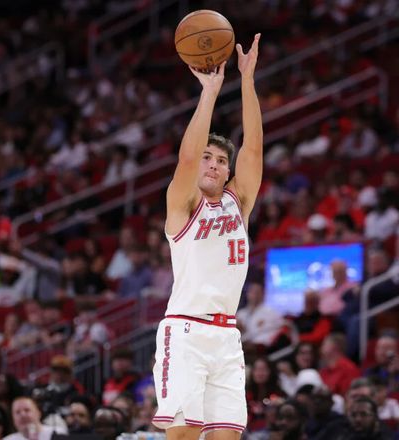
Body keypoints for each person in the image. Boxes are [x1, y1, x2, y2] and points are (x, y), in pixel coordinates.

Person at [151, 34, 263, 440]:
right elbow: (186, 157)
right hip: (185, 332)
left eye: (221, 161)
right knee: (184, 434)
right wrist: (211, 92)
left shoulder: (239, 201)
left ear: (228, 171)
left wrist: (246, 80)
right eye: (208, 158)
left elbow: (254, 151)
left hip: (227, 336)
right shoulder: (181, 204)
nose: (214, 165)